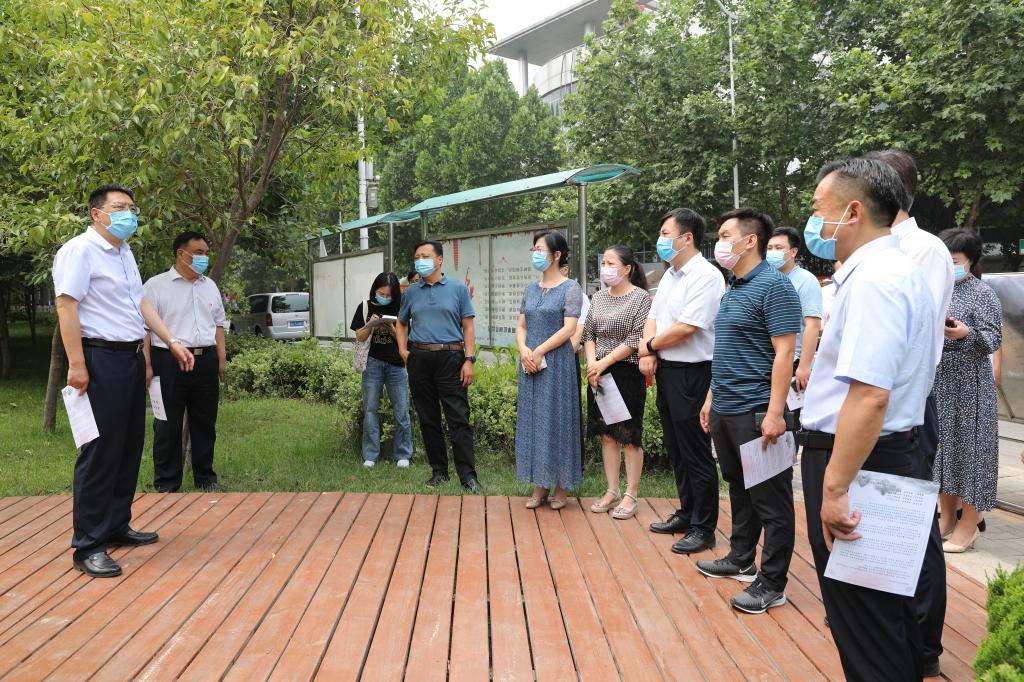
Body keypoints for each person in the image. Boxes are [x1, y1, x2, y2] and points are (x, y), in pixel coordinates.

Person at [799, 157, 941, 681]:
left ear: (853, 212)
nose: (814, 221)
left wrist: (835, 488)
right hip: (877, 455)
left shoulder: (876, 280)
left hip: (860, 461)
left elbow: (869, 395)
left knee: (865, 626)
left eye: (819, 209)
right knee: (886, 617)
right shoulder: (891, 271)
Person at [52, 185, 195, 578]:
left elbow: (140, 303)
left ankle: (116, 525)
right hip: (99, 358)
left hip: (130, 357)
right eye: (120, 207)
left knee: (129, 446)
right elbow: (66, 305)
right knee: (100, 451)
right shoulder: (79, 251)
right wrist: (77, 364)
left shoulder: (123, 252)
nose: (129, 214)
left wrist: (170, 340)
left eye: (132, 208)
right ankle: (88, 546)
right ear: (97, 214)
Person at [866, 149, 950, 677]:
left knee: (914, 525)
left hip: (908, 407)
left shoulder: (924, 250)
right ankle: (888, 624)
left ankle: (923, 642)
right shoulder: (876, 250)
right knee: (878, 518)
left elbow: (918, 342)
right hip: (875, 407)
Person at [696, 207, 801, 615]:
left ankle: (772, 583)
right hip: (726, 408)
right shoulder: (733, 288)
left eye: (726, 235)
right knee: (739, 488)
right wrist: (711, 399)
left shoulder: (774, 286)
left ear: (750, 240)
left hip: (757, 411)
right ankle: (741, 558)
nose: (720, 243)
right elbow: (726, 352)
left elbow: (785, 353)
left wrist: (775, 413)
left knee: (772, 501)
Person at [639, 208, 724, 554]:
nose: (660, 240)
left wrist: (649, 347)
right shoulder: (670, 276)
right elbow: (654, 317)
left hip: (693, 372)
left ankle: (704, 528)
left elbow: (688, 327)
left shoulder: (706, 276)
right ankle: (687, 513)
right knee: (676, 448)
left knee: (695, 451)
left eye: (665, 233)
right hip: (667, 369)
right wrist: (649, 351)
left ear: (687, 238)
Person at [932, 228, 1002, 552]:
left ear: (971, 260)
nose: (950, 266)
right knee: (943, 453)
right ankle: (946, 518)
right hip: (940, 383)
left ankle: (969, 525)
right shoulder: (936, 288)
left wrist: (966, 333)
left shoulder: (983, 293)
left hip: (970, 384)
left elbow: (993, 338)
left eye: (955, 260)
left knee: (972, 454)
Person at [142, 231, 227, 493]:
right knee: (167, 424)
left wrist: (221, 358)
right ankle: (167, 482)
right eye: (198, 253)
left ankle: (206, 478)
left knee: (205, 422)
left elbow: (219, 324)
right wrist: (147, 364)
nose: (204, 258)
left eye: (206, 253)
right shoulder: (156, 285)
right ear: (181, 254)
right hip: (168, 361)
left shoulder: (209, 285)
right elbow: (144, 328)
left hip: (205, 360)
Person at [395, 241, 482, 492]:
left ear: (440, 259)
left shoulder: (457, 289)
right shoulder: (411, 292)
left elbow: (468, 327)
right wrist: (403, 350)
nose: (420, 260)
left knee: (459, 418)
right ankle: (439, 472)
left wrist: (469, 359)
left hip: (451, 358)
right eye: (416, 256)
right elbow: (401, 322)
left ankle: (468, 476)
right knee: (428, 418)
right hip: (419, 358)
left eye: (425, 255)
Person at [516, 231, 584, 509]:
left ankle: (562, 485)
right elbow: (522, 325)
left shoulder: (571, 288)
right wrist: (524, 350)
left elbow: (569, 329)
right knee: (534, 422)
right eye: (533, 249)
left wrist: (540, 350)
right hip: (530, 363)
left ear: (557, 255)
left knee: (558, 420)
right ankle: (540, 484)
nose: (535, 253)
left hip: (557, 364)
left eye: (540, 249)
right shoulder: (530, 289)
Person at [582, 246, 651, 520]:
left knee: (629, 435)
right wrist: (592, 364)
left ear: (627, 268)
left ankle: (631, 494)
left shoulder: (640, 298)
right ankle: (612, 490)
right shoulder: (598, 297)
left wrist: (604, 362)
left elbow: (636, 338)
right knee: (608, 434)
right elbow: (588, 333)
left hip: (626, 372)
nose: (605, 268)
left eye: (611, 263)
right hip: (598, 372)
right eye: (604, 263)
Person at [350, 272, 413, 469]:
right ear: (374, 290)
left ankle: (403, 454)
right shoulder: (365, 306)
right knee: (370, 410)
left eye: (388, 295)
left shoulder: (401, 307)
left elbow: (407, 340)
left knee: (402, 410)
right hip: (372, 364)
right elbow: (359, 337)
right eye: (381, 293)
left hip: (396, 365)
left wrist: (391, 329)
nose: (384, 297)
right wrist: (371, 325)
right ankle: (370, 455)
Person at [766, 226, 822, 391]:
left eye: (778, 248)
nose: (772, 252)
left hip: (793, 360)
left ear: (793, 252)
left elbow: (813, 325)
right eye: (769, 248)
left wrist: (804, 366)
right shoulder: (767, 279)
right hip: (768, 361)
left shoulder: (806, 280)